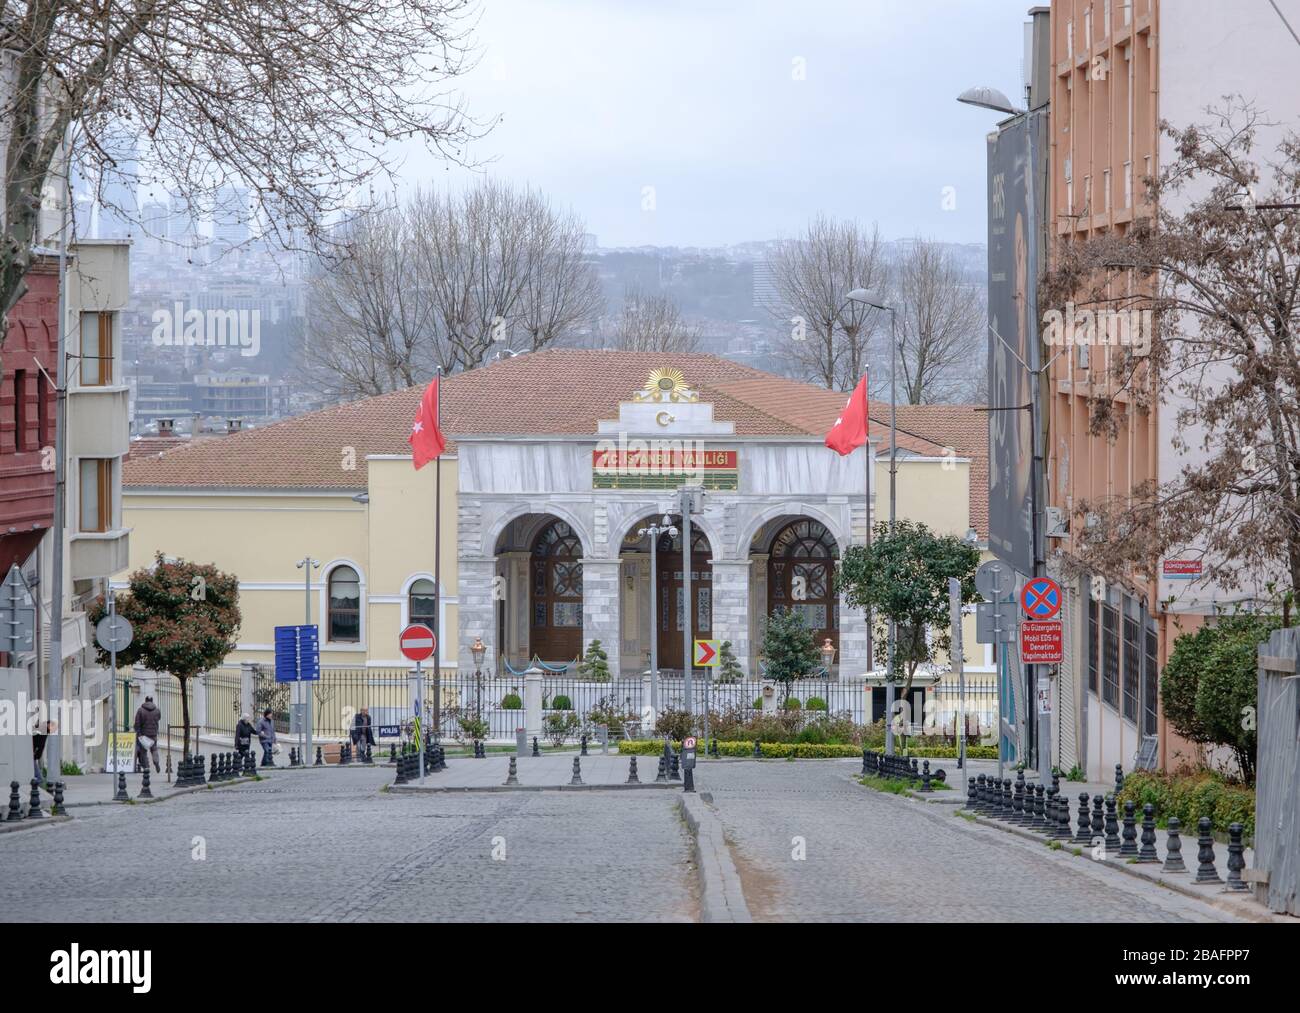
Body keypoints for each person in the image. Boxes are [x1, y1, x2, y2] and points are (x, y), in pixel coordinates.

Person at [133, 696, 161, 773]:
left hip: (144, 735)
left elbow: (137, 723)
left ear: (145, 701)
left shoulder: (140, 710)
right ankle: (156, 763)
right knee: (154, 749)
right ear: (152, 701)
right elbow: (158, 719)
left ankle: (146, 767)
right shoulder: (157, 710)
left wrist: (138, 733)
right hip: (153, 734)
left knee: (143, 751)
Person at [32, 720, 53, 788]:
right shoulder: (43, 731)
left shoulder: (40, 728)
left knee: (38, 776)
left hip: (31, 755)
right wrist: (36, 756)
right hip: (31, 756)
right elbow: (41, 745)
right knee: (39, 778)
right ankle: (33, 790)